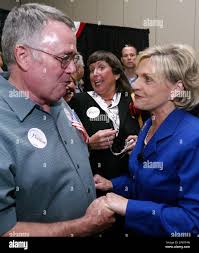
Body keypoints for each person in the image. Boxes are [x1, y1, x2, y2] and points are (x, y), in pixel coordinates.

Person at [0, 3, 115, 237]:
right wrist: (82, 227)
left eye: (73, 58)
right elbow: (7, 233)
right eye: (64, 58)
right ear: (23, 56)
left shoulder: (56, 97)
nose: (72, 69)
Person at [94, 44, 199, 237]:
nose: (134, 85)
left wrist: (127, 207)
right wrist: (112, 185)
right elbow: (143, 181)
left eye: (148, 79)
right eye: (138, 76)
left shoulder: (194, 137)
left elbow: (192, 222)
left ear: (176, 89)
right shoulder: (149, 124)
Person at [70, 50, 140, 180]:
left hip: (129, 183)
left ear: (117, 74)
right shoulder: (79, 101)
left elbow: (148, 135)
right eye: (91, 70)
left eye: (101, 67)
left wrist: (139, 144)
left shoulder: (132, 100)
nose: (95, 73)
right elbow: (66, 144)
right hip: (93, 182)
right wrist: (88, 144)